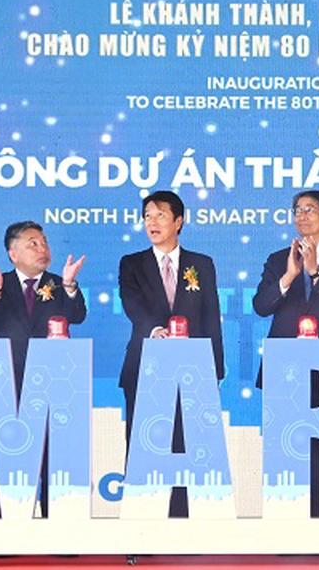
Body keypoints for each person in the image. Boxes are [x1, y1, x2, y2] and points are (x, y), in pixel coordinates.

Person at [251, 189, 319, 518]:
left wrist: (315, 272)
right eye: (297, 210)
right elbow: (261, 306)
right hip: (284, 366)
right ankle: (285, 516)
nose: (301, 216)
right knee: (285, 444)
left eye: (309, 210)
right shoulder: (277, 260)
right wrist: (289, 275)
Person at [116, 190, 225, 517]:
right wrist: (154, 329)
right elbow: (132, 304)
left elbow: (211, 315)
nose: (152, 222)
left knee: (188, 443)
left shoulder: (201, 264)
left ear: (178, 221)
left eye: (160, 215)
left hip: (194, 368)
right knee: (144, 443)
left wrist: (215, 368)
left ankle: (183, 518)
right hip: (145, 364)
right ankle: (142, 519)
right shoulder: (132, 263)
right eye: (147, 216)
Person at [0, 220, 88, 517]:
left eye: (44, 242)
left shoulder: (59, 282)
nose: (42, 248)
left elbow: (78, 315)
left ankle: (57, 520)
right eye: (33, 244)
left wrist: (70, 286)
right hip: (12, 383)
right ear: (13, 253)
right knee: (13, 456)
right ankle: (8, 521)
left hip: (53, 384)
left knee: (54, 457)